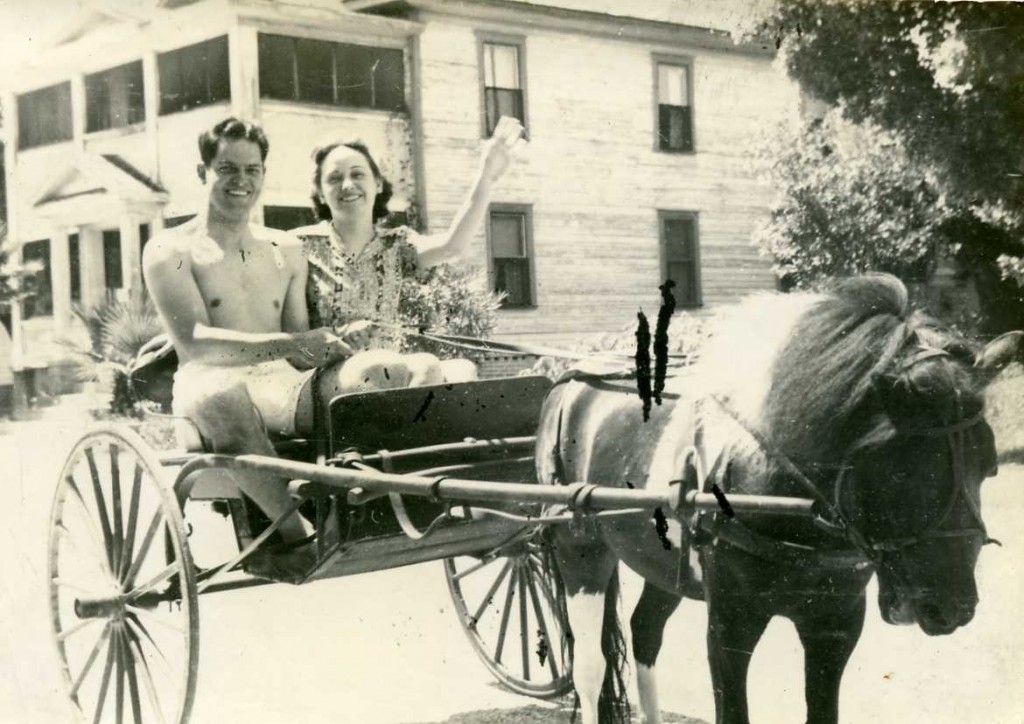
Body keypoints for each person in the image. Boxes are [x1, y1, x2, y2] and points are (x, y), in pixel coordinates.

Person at [142, 118, 380, 576]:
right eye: (227, 168)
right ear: (201, 172)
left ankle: (391, 511)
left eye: (253, 170)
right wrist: (290, 343)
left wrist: (328, 348)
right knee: (220, 392)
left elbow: (296, 352)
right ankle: (295, 538)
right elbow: (195, 344)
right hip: (206, 388)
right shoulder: (170, 249)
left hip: (280, 386)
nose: (241, 182)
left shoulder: (284, 248)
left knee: (372, 377)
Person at [293, 116, 526, 382]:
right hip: (329, 377)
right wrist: (338, 337)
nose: (347, 185)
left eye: (357, 174)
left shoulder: (397, 245)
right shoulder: (300, 246)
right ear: (321, 192)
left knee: (463, 370)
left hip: (390, 374)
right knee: (423, 368)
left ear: (377, 184)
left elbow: (452, 246)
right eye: (334, 178)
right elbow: (294, 341)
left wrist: (487, 176)